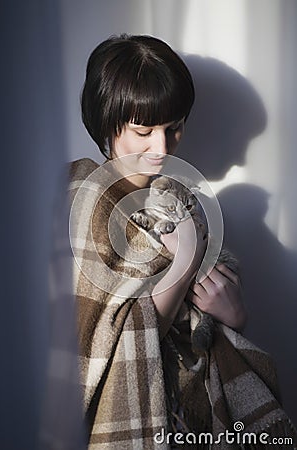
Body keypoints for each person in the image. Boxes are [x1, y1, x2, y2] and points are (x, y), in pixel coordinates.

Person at [69, 34, 295, 449]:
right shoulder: (80, 198)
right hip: (136, 413)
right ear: (106, 121)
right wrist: (185, 256)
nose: (162, 147)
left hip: (197, 413)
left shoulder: (182, 199)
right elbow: (114, 339)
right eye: (143, 130)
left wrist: (235, 315)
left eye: (174, 128)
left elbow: (204, 326)